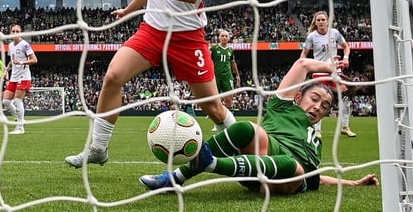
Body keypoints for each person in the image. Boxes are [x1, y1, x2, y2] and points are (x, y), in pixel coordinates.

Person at [65, 0, 236, 168]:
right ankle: (98, 148)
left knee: (212, 107)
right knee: (113, 76)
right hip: (152, 30)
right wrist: (128, 10)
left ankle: (245, 145)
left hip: (187, 36)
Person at [139, 58, 379, 195]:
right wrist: (328, 69)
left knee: (293, 166)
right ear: (298, 97)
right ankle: (176, 177)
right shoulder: (283, 106)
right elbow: (303, 65)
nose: (318, 107)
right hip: (260, 164)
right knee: (247, 129)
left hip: (287, 180)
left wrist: (352, 183)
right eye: (314, 99)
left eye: (325, 106)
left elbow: (316, 177)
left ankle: (211, 164)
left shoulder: (315, 140)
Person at [300, 11, 355, 138]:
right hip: (319, 71)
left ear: (327, 21)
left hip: (335, 70)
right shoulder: (311, 37)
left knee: (345, 96)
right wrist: (303, 67)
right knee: (318, 99)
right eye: (318, 20)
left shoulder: (334, 33)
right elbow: (304, 54)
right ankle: (317, 130)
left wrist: (346, 58)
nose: (321, 22)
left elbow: (346, 46)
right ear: (315, 22)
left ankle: (345, 127)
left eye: (323, 20)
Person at [3, 24, 38, 135]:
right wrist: (6, 70)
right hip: (14, 76)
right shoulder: (10, 45)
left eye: (17, 31)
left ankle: (20, 128)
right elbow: (12, 60)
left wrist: (22, 62)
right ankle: (19, 119)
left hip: (24, 76)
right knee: (6, 102)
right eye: (13, 31)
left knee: (18, 101)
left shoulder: (25, 45)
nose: (15, 33)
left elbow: (34, 60)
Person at [209, 29, 241, 131]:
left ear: (229, 38)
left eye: (226, 36)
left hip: (227, 77)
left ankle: (231, 123)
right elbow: (208, 61)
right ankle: (217, 123)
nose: (224, 38)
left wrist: (237, 75)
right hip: (216, 77)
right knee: (216, 100)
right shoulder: (214, 48)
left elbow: (232, 63)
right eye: (222, 36)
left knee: (229, 99)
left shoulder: (230, 50)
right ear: (219, 37)